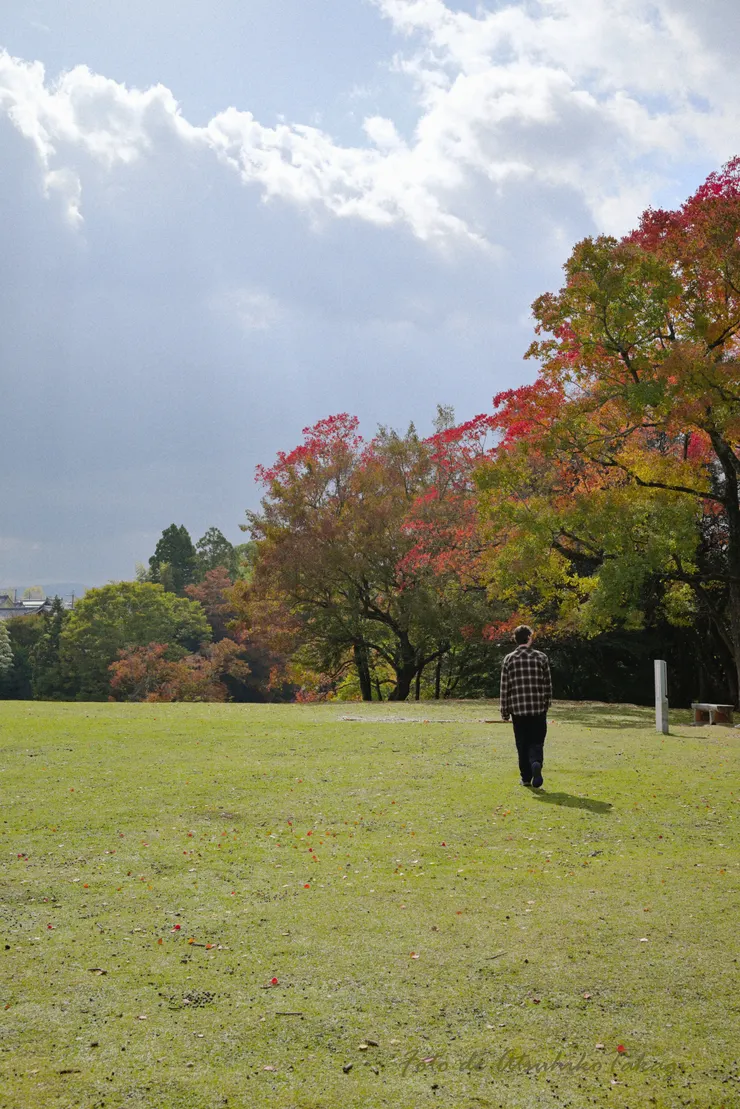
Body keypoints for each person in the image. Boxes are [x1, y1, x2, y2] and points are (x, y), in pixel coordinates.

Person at [499, 625, 552, 789]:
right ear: (529, 637)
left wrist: (505, 710)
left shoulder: (509, 659)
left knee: (522, 743)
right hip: (537, 708)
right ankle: (536, 762)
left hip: (518, 710)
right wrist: (546, 703)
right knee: (537, 741)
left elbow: (505, 687)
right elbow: (547, 685)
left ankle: (526, 777)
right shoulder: (541, 657)